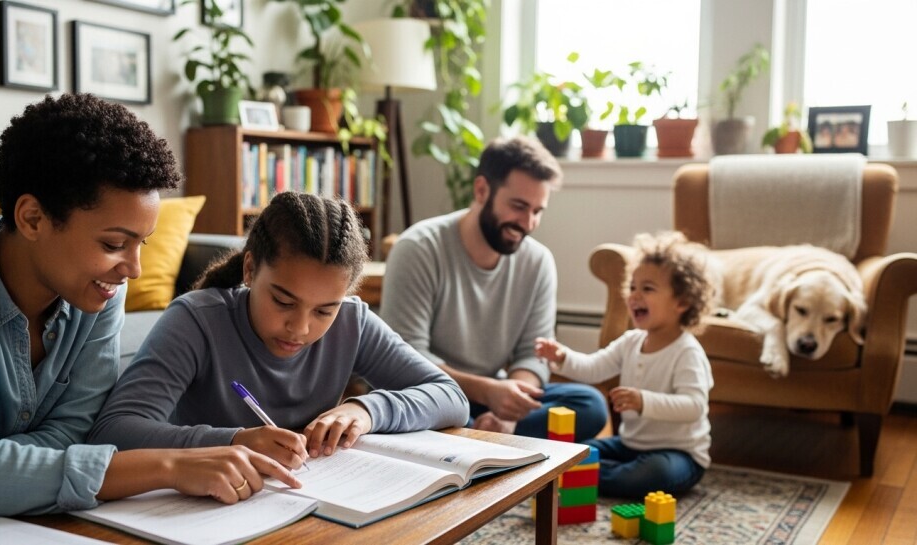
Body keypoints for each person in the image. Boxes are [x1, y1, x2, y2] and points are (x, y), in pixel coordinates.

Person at [0, 94, 300, 529]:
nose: (133, 271)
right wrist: (169, 466)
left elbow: (73, 432)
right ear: (32, 219)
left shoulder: (98, 294)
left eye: (143, 244)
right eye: (113, 245)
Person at [88, 191, 468, 463]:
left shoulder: (353, 322)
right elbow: (115, 431)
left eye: (324, 310)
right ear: (250, 269)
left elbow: (452, 399)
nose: (300, 328)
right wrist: (237, 441)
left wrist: (367, 410)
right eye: (284, 302)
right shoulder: (197, 319)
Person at [379, 136, 608, 442]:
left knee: (590, 405)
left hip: (492, 396)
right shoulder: (419, 248)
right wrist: (488, 391)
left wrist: (508, 412)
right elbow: (407, 358)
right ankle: (488, 442)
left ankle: (483, 439)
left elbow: (532, 353)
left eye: (538, 211)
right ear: (482, 190)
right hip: (427, 392)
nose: (527, 223)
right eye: (518, 206)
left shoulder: (538, 262)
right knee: (426, 412)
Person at [535, 231, 715, 498]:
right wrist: (563, 357)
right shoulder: (631, 341)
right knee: (578, 451)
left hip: (679, 454)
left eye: (648, 288)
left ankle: (585, 476)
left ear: (683, 302)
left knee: (654, 474)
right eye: (632, 287)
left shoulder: (686, 351)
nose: (634, 296)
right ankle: (582, 471)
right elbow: (593, 367)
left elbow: (694, 406)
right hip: (629, 444)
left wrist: (643, 401)